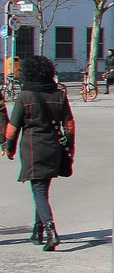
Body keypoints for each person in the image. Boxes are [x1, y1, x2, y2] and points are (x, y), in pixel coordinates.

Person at [4, 54, 74, 251]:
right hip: (54, 149)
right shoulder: (59, 94)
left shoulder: (25, 96)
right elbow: (69, 125)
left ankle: (51, 230)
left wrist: (8, 149)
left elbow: (13, 127)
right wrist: (70, 150)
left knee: (39, 191)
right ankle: (37, 230)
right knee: (43, 189)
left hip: (33, 148)